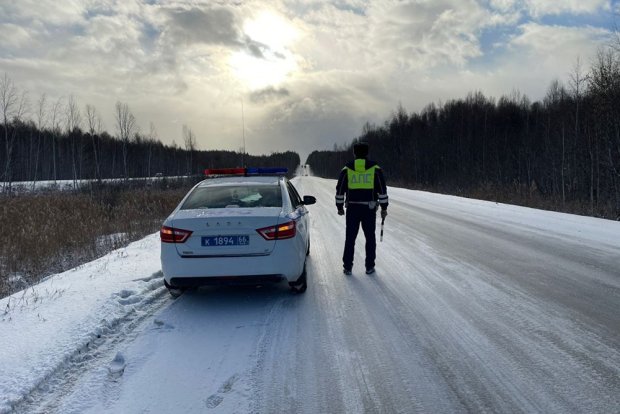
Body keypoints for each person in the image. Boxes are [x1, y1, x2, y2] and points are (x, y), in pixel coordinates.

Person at [335, 142, 388, 275]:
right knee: (370, 238)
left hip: (352, 208)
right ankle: (369, 266)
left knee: (350, 238)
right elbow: (382, 190)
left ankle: (348, 267)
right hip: (369, 209)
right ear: (367, 153)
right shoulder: (375, 169)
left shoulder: (346, 169)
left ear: (354, 153)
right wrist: (384, 207)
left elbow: (340, 189)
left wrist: (339, 206)